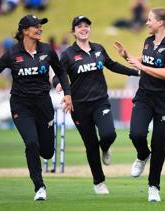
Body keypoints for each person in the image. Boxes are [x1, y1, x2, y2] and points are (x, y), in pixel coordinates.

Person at [0, 14, 73, 201]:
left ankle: (44, 155)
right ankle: (39, 186)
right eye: (36, 26)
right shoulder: (12, 53)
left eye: (40, 25)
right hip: (21, 105)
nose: (40, 28)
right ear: (25, 31)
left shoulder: (47, 50)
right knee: (31, 143)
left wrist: (67, 94)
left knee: (47, 151)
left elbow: (60, 71)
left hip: (43, 105)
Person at [60, 15, 140, 195]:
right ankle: (99, 181)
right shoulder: (68, 54)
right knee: (90, 145)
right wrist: (60, 85)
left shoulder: (98, 49)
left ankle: (105, 148)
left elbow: (112, 65)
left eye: (86, 25)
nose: (83, 28)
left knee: (109, 134)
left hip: (100, 101)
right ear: (74, 31)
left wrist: (137, 72)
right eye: (79, 26)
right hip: (79, 107)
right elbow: (59, 73)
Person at [115, 8, 165, 202]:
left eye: (150, 20)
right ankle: (143, 155)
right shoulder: (148, 42)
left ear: (161, 23)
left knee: (159, 145)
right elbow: (144, 61)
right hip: (145, 96)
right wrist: (126, 56)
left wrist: (142, 67)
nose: (146, 23)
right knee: (136, 134)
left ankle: (153, 186)